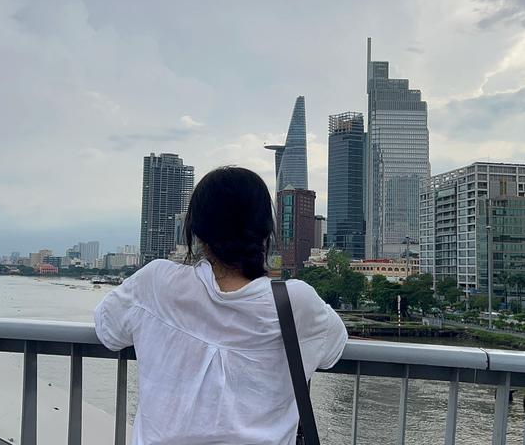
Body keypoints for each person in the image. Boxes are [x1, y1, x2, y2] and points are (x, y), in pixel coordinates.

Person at [94, 167, 348, 445]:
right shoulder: (295, 302)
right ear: (265, 234)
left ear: (198, 235)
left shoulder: (156, 281)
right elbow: (331, 351)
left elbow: (108, 330)